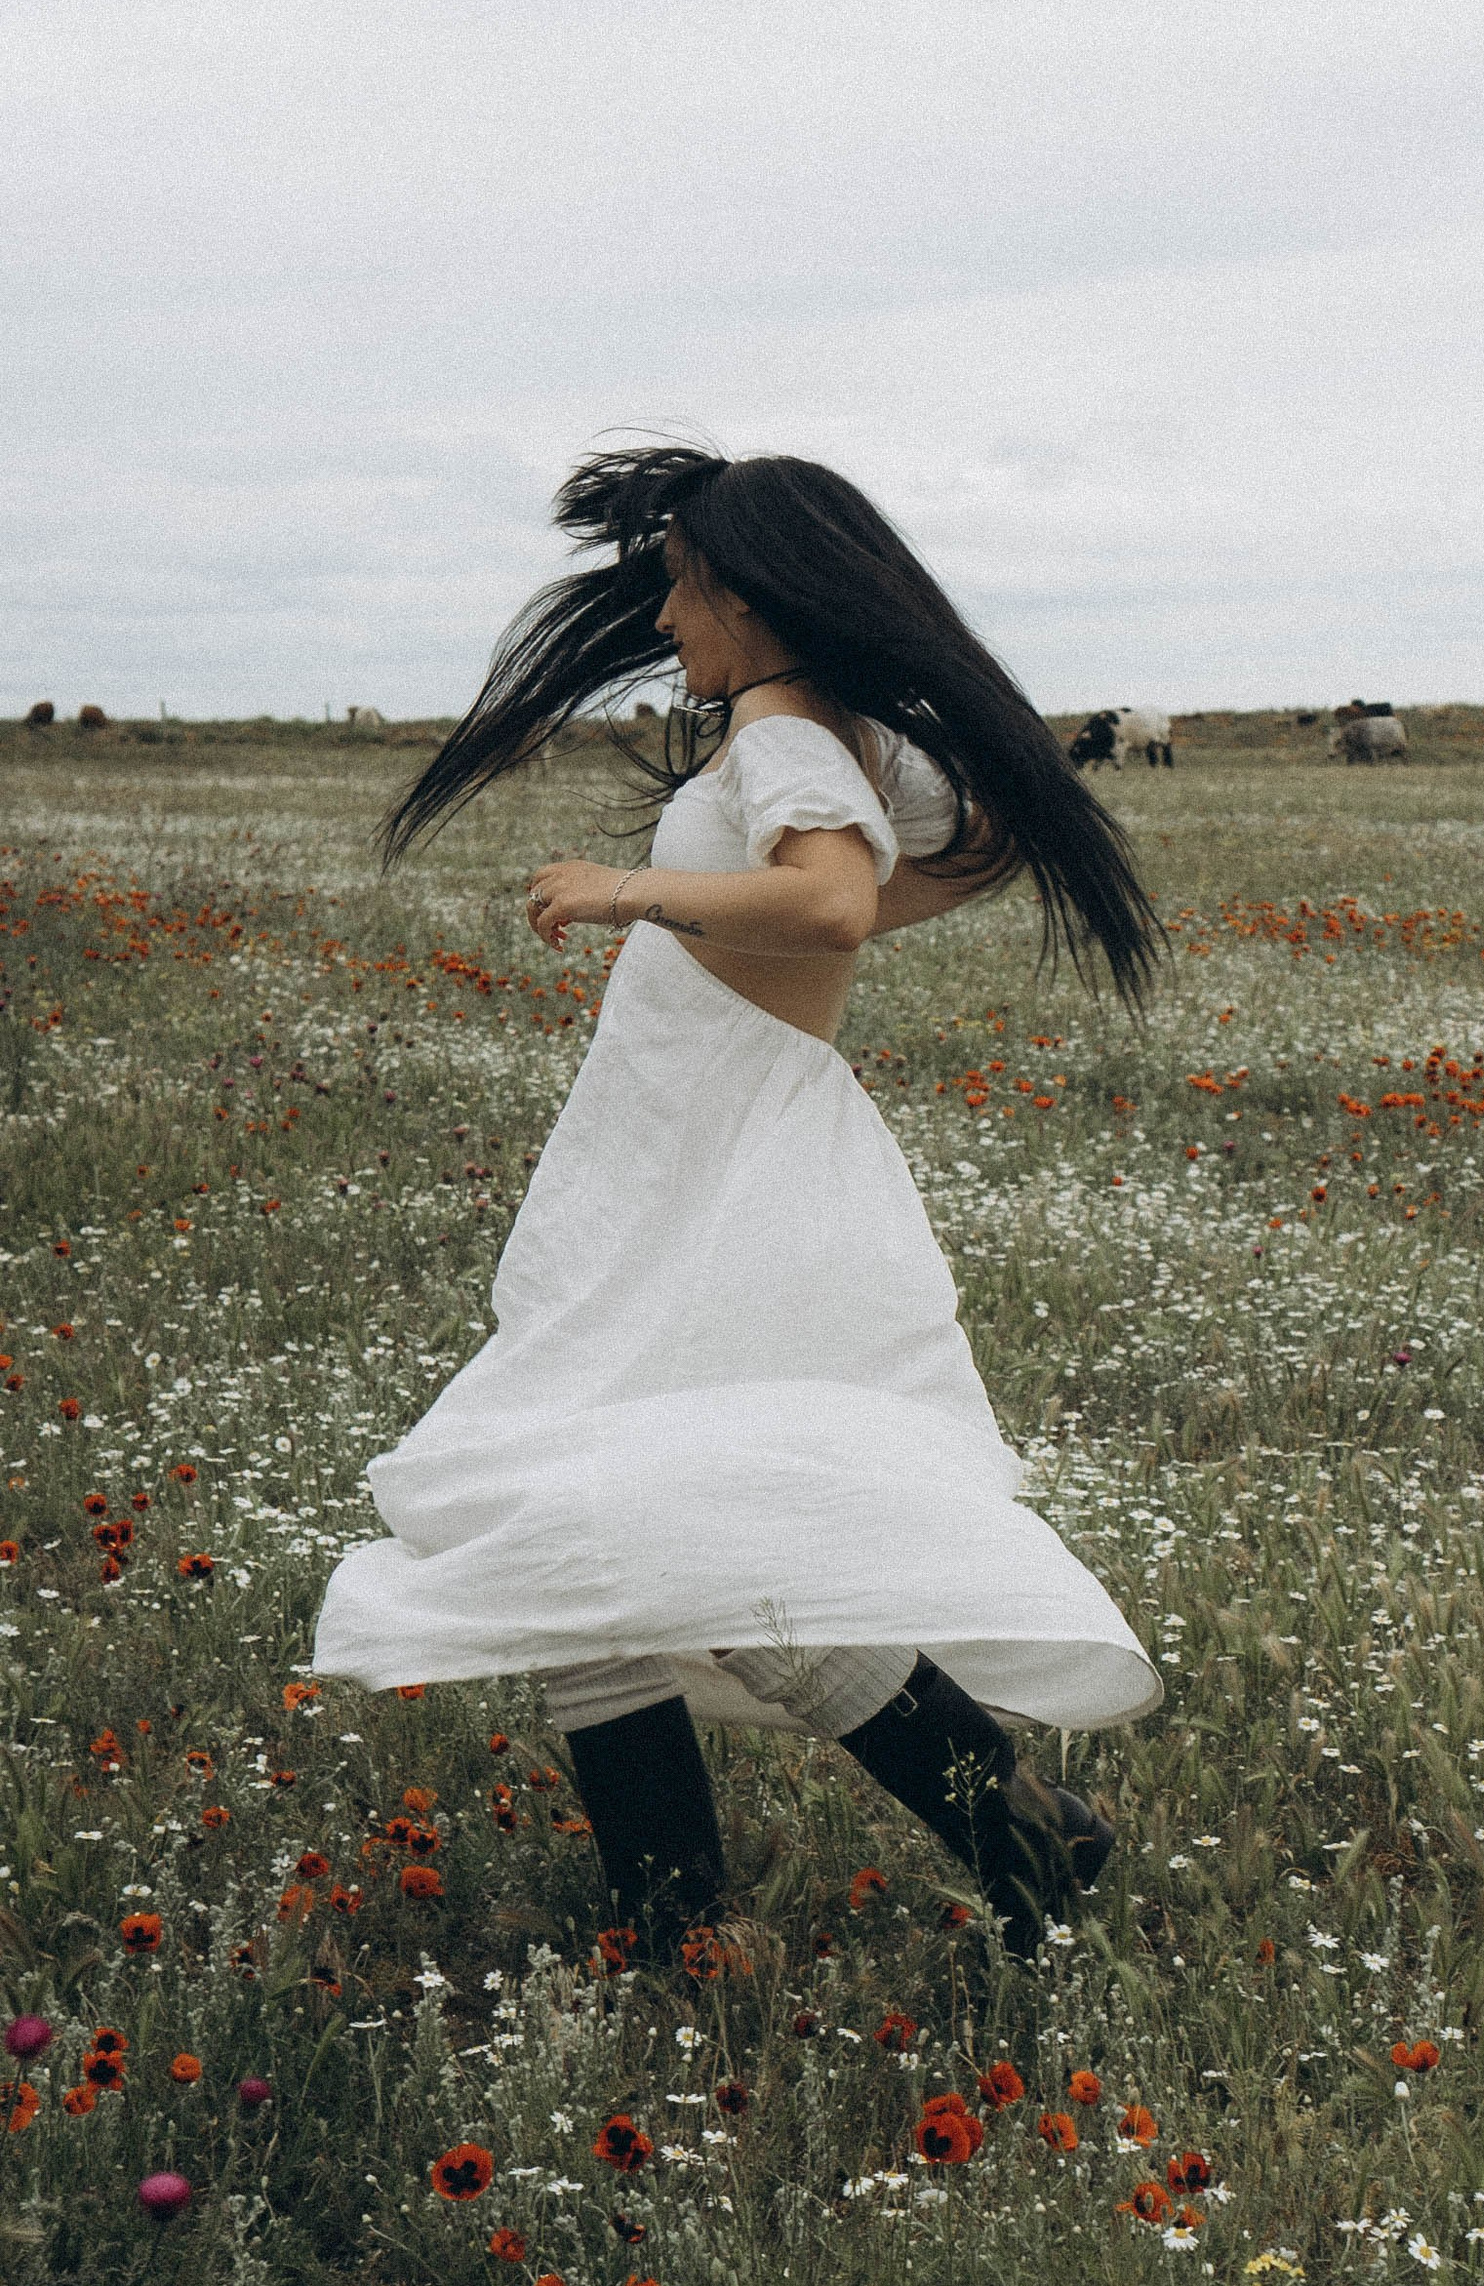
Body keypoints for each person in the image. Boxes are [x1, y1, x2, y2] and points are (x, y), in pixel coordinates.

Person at [309, 441, 1164, 1963]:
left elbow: (826, 898)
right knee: (629, 1513)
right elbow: (963, 849)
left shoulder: (782, 730)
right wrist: (803, 922)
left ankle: (693, 1922)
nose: (665, 618)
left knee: (594, 1506)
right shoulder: (832, 728)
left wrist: (626, 889)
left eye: (683, 588)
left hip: (706, 1170)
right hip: (683, 1158)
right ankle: (1003, 1837)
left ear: (752, 598)